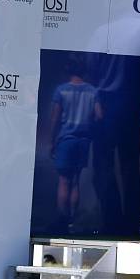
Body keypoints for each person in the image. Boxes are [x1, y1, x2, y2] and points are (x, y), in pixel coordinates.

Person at [49, 57, 103, 233]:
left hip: (66, 139)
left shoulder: (61, 90)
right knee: (76, 182)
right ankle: (72, 220)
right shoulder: (92, 91)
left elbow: (55, 117)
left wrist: (52, 141)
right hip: (83, 141)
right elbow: (99, 115)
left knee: (64, 181)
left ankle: (61, 221)